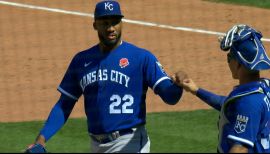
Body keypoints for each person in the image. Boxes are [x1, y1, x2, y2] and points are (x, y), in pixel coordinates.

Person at [25, 0, 184, 153]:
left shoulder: (141, 58)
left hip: (130, 142)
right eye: (105, 23)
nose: (110, 28)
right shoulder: (81, 60)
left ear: (122, 23)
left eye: (115, 22)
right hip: (96, 145)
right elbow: (64, 104)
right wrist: (41, 139)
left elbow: (170, 97)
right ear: (95, 25)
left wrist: (178, 85)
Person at [172, 24, 270, 153]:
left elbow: (239, 149)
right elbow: (230, 105)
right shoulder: (263, 87)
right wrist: (196, 90)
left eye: (229, 57)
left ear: (239, 63)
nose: (228, 62)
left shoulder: (248, 102)